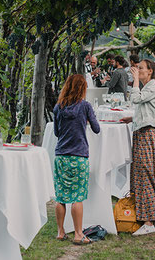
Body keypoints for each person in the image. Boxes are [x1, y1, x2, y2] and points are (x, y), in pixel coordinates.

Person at [53, 74, 101, 245]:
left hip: (61, 156)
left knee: (60, 196)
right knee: (77, 197)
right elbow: (96, 129)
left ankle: (60, 232)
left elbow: (57, 133)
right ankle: (79, 234)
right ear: (83, 89)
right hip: (79, 156)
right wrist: (86, 120)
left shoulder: (58, 107)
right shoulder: (85, 106)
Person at [119, 60, 155, 235]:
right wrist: (132, 119)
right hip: (141, 132)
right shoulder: (149, 88)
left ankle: (148, 222)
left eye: (140, 69)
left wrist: (135, 80)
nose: (137, 71)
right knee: (140, 175)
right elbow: (146, 110)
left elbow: (135, 99)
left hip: (146, 135)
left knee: (145, 176)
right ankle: (144, 216)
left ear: (150, 71)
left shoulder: (152, 87)